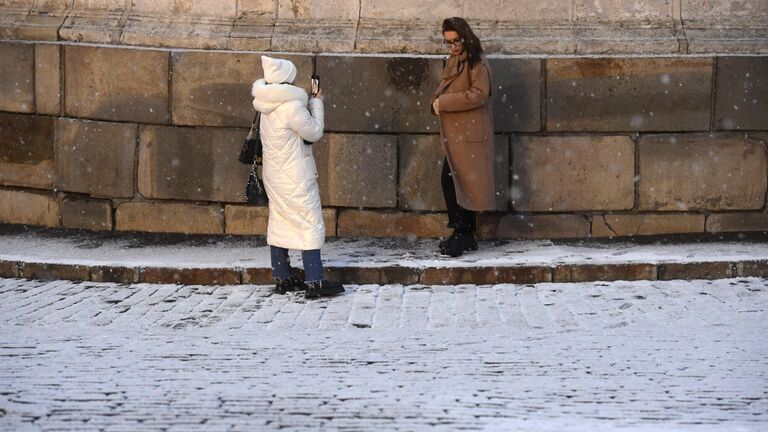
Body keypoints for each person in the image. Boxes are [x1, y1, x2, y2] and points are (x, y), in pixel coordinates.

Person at [251, 55, 344, 299]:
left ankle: (282, 275)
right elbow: (314, 133)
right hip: (295, 174)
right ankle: (315, 280)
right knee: (308, 221)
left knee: (280, 219)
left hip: (274, 173)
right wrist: (317, 102)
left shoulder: (265, 105)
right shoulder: (292, 106)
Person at [431, 17, 496, 258]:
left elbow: (479, 94)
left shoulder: (476, 62)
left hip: (469, 136)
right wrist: (435, 102)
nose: (452, 46)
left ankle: (464, 233)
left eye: (456, 41)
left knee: (460, 183)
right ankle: (462, 232)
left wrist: (444, 103)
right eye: (447, 42)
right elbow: (447, 87)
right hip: (458, 136)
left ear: (465, 36)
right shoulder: (456, 60)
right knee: (454, 182)